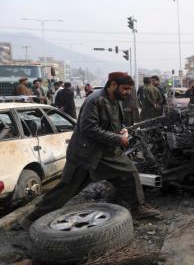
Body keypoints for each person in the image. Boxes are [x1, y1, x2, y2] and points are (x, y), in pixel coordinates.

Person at [21, 72, 160, 229]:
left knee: (129, 173)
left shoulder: (116, 100)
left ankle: (137, 208)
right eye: (125, 89)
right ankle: (31, 219)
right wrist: (117, 139)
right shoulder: (95, 100)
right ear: (113, 85)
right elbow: (89, 128)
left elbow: (117, 124)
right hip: (86, 154)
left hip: (107, 152)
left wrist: (123, 131)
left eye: (129, 89)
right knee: (67, 189)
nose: (128, 92)